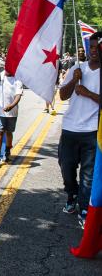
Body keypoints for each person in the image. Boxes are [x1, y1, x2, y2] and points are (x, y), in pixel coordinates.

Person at [58, 32, 101, 229]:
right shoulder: (77, 68)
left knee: (88, 174)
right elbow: (62, 96)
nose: (94, 51)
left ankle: (84, 209)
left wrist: (88, 93)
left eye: (98, 47)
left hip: (92, 131)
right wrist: (75, 80)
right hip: (70, 128)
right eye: (91, 47)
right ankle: (72, 193)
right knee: (66, 167)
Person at [0, 70, 23, 168]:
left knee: (9, 133)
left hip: (12, 113)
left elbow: (18, 96)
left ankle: (7, 152)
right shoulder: (0, 76)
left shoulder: (18, 79)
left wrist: (11, 106)